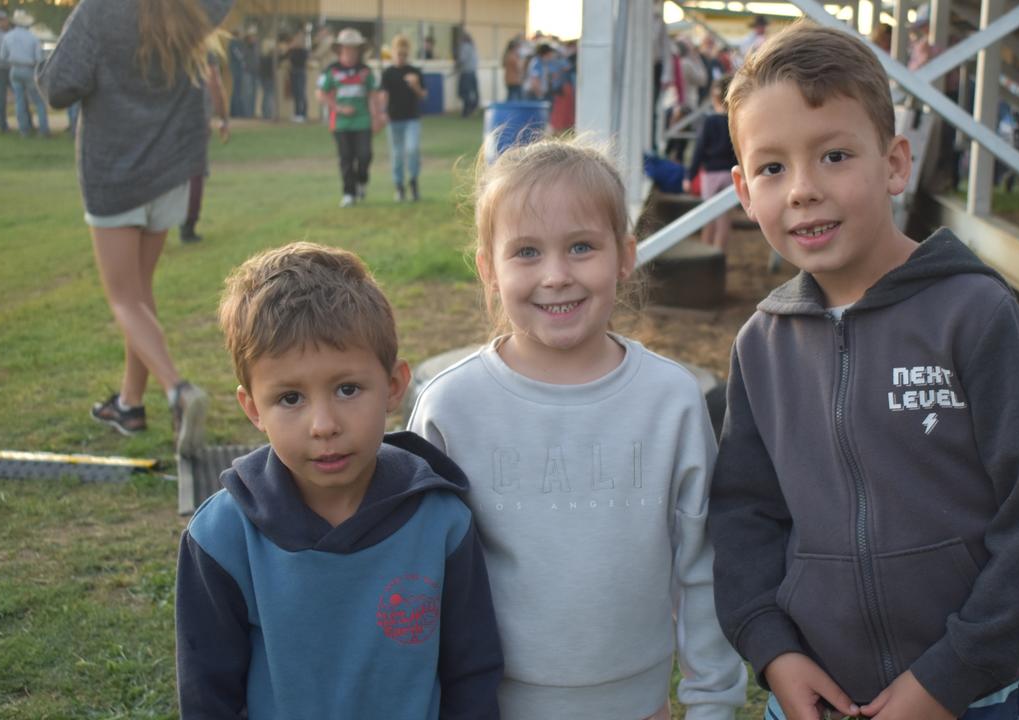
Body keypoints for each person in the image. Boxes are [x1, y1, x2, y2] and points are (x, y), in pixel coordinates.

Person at [710, 22, 1019, 720]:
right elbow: (745, 520)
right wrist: (775, 654)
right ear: (742, 191)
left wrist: (949, 676)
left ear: (895, 162)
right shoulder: (762, 345)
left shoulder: (974, 314)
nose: (802, 190)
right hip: (813, 694)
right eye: (772, 168)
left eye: (835, 156)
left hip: (966, 695)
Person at [408, 137, 748, 720]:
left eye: (582, 247)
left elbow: (703, 566)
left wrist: (713, 701)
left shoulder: (672, 401)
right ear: (488, 269)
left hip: (639, 706)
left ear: (625, 256)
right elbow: (415, 577)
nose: (557, 275)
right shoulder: (449, 407)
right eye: (527, 253)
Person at [177, 241, 503, 718]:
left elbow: (471, 674)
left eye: (347, 389)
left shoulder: (443, 524)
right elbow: (208, 696)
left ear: (394, 386)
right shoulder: (221, 539)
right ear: (252, 409)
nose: (323, 424)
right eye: (290, 398)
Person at [39, 0, 224, 452]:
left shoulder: (99, 11)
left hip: (115, 175)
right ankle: (129, 403)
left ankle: (178, 390)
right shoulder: (193, 9)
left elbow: (58, 87)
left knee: (123, 298)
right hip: (172, 172)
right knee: (139, 292)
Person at [317, 27, 384, 208]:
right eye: (347, 47)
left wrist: (377, 117)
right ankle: (348, 193)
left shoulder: (365, 71)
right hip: (340, 123)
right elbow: (321, 94)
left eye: (354, 48)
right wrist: (338, 108)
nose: (350, 51)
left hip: (363, 121)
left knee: (365, 156)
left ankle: (361, 181)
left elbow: (373, 95)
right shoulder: (331, 71)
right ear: (340, 49)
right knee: (346, 158)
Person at [181, 41, 230, 244]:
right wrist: (222, 117)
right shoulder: (204, 47)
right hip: (194, 119)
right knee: (195, 173)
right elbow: (214, 82)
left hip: (165, 120)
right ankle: (188, 226)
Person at [685, 74, 737, 252]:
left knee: (708, 217)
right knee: (724, 220)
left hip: (711, 173)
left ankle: (705, 252)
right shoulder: (734, 122)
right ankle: (719, 255)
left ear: (714, 97)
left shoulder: (709, 122)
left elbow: (699, 150)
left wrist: (690, 176)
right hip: (730, 174)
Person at [380, 34, 426, 202]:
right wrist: (383, 112)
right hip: (394, 119)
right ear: (393, 53)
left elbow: (423, 95)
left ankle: (413, 182)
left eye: (404, 55)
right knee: (397, 154)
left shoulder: (415, 72)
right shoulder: (388, 73)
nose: (401, 58)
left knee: (412, 149)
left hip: (412, 118)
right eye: (398, 54)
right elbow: (384, 94)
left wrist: (415, 86)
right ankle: (399, 187)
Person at [1, 9, 48, 137]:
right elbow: (39, 58)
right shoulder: (33, 38)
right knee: (38, 101)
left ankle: (24, 130)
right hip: (29, 69)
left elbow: (3, 56)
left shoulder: (7, 37)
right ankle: (43, 130)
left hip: (14, 70)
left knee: (19, 101)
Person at [282, 28, 308, 122]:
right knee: (296, 94)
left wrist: (292, 49)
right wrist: (289, 48)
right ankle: (297, 113)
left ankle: (303, 114)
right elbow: (283, 57)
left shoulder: (303, 51)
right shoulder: (292, 50)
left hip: (300, 72)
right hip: (293, 72)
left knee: (301, 93)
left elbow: (301, 61)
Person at [455, 30, 478, 118]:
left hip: (466, 73)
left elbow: (462, 59)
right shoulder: (473, 46)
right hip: (473, 72)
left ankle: (466, 111)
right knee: (472, 92)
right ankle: (472, 108)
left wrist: (456, 65)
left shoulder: (464, 47)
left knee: (464, 93)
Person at [502, 37, 524, 101]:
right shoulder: (512, 56)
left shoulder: (508, 55)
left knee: (511, 97)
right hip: (514, 81)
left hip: (510, 80)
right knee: (514, 98)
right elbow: (519, 68)